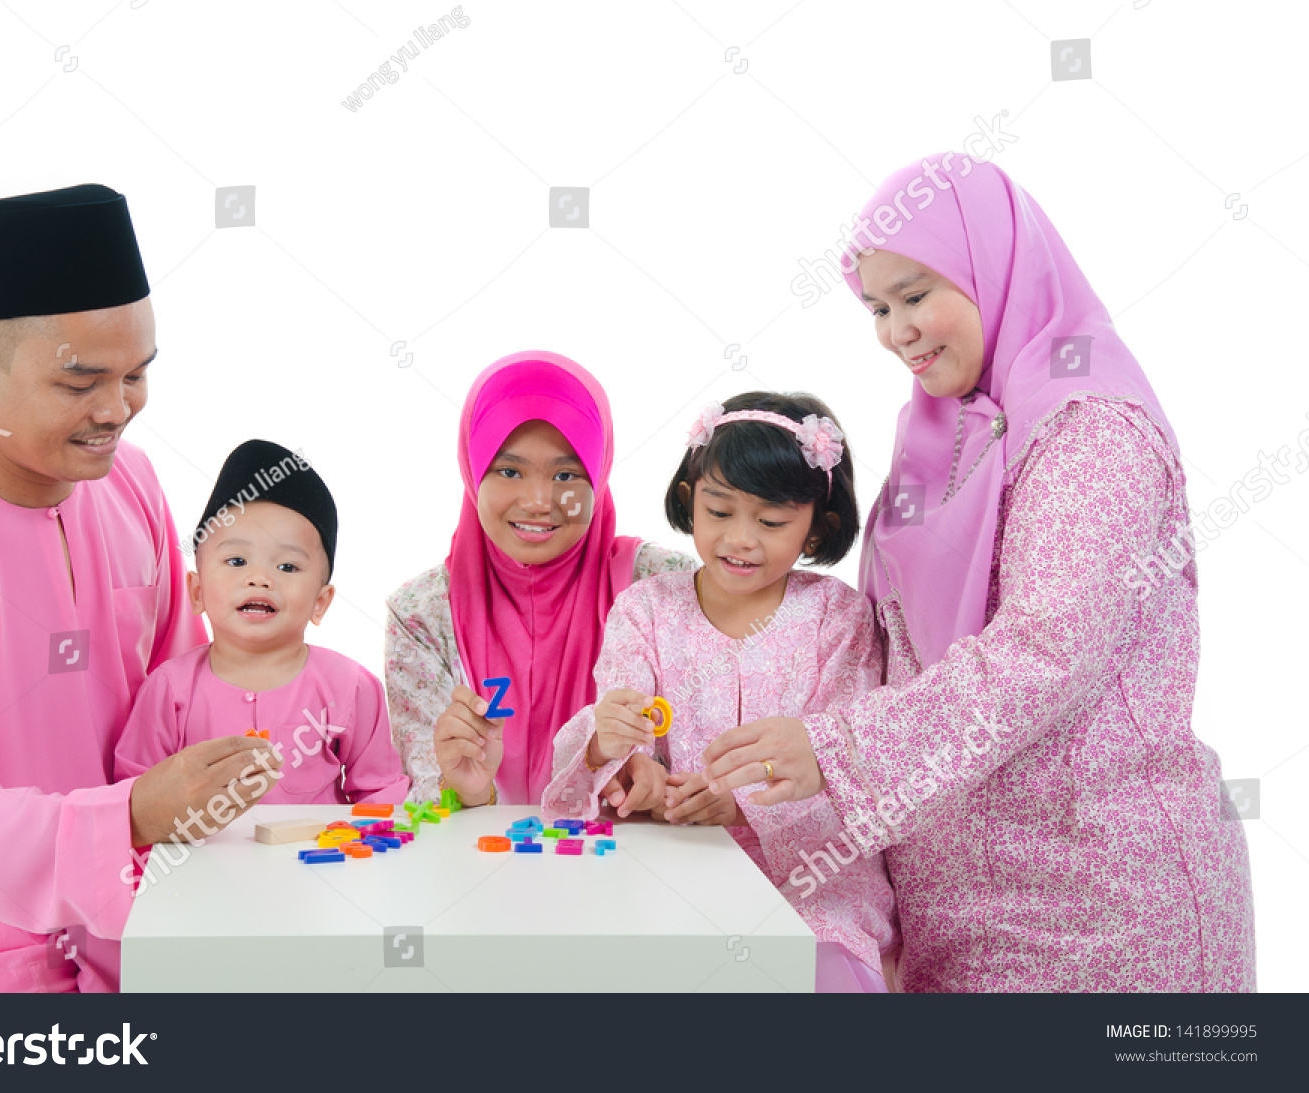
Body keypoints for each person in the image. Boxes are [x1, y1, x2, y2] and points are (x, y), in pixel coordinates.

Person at [702, 155, 1255, 991]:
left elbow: (1045, 652)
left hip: (1098, 911)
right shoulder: (942, 436)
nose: (895, 331)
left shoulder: (1089, 430)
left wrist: (835, 748)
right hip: (961, 917)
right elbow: (890, 647)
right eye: (878, 307)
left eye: (917, 294)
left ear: (993, 265)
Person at [0, 184, 279, 992]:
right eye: (80, 384)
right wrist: (130, 815)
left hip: (141, 933)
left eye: (137, 374)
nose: (118, 409)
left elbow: (178, 689)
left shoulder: (130, 485)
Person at [542, 392, 897, 991]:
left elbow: (848, 763)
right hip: (675, 866)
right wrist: (628, 766)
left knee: (813, 978)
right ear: (689, 502)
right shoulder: (645, 610)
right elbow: (616, 732)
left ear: (818, 526)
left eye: (772, 521)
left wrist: (738, 806)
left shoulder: (838, 618)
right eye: (720, 511)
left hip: (814, 885)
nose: (741, 539)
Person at [385, 350, 696, 808]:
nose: (537, 500)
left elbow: (708, 759)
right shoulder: (421, 614)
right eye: (509, 471)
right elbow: (428, 799)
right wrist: (469, 791)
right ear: (473, 473)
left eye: (566, 474)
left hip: (628, 869)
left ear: (598, 474)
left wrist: (654, 780)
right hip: (478, 872)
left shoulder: (662, 586)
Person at [116, 440, 409, 805]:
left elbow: (380, 793)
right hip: (200, 862)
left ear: (321, 602)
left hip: (318, 861)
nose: (259, 578)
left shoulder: (350, 687)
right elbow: (135, 799)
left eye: (287, 567)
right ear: (197, 590)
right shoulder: (169, 691)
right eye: (237, 561)